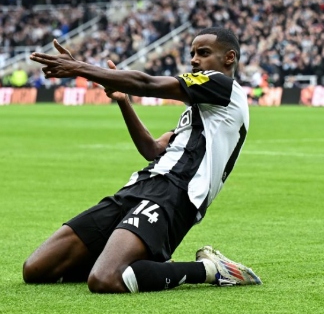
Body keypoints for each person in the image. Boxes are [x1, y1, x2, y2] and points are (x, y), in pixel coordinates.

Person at [23, 27, 262, 293]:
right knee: (36, 268)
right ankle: (130, 260)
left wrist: (80, 67)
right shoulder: (202, 112)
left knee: (105, 279)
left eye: (203, 53)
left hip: (176, 194)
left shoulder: (224, 87)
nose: (194, 60)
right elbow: (152, 149)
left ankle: (209, 269)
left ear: (229, 58)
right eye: (192, 53)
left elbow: (148, 84)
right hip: (141, 186)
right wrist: (124, 101)